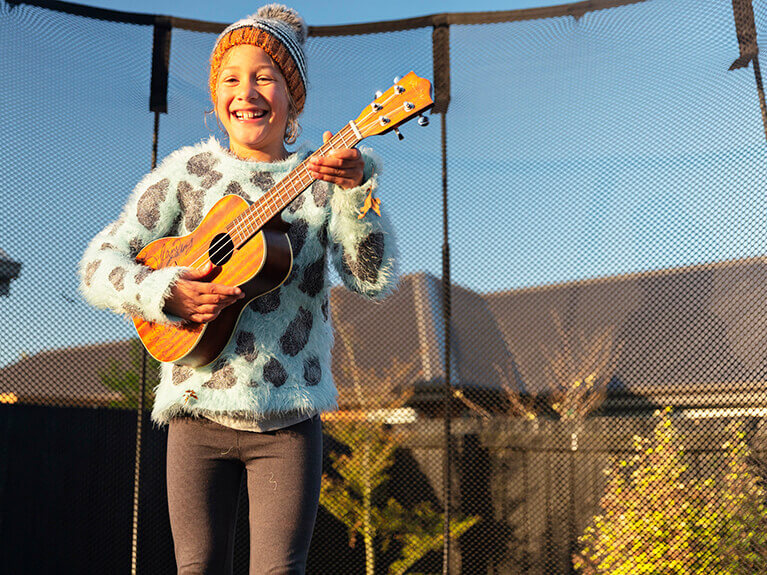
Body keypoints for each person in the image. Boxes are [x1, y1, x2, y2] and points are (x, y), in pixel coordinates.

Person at [77, 4, 398, 573]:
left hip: (288, 420)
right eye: (230, 79)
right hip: (195, 415)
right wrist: (163, 292)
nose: (245, 92)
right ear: (215, 97)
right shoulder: (185, 175)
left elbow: (371, 280)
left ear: (292, 97)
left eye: (264, 77)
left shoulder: (325, 182)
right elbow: (98, 265)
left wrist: (357, 193)